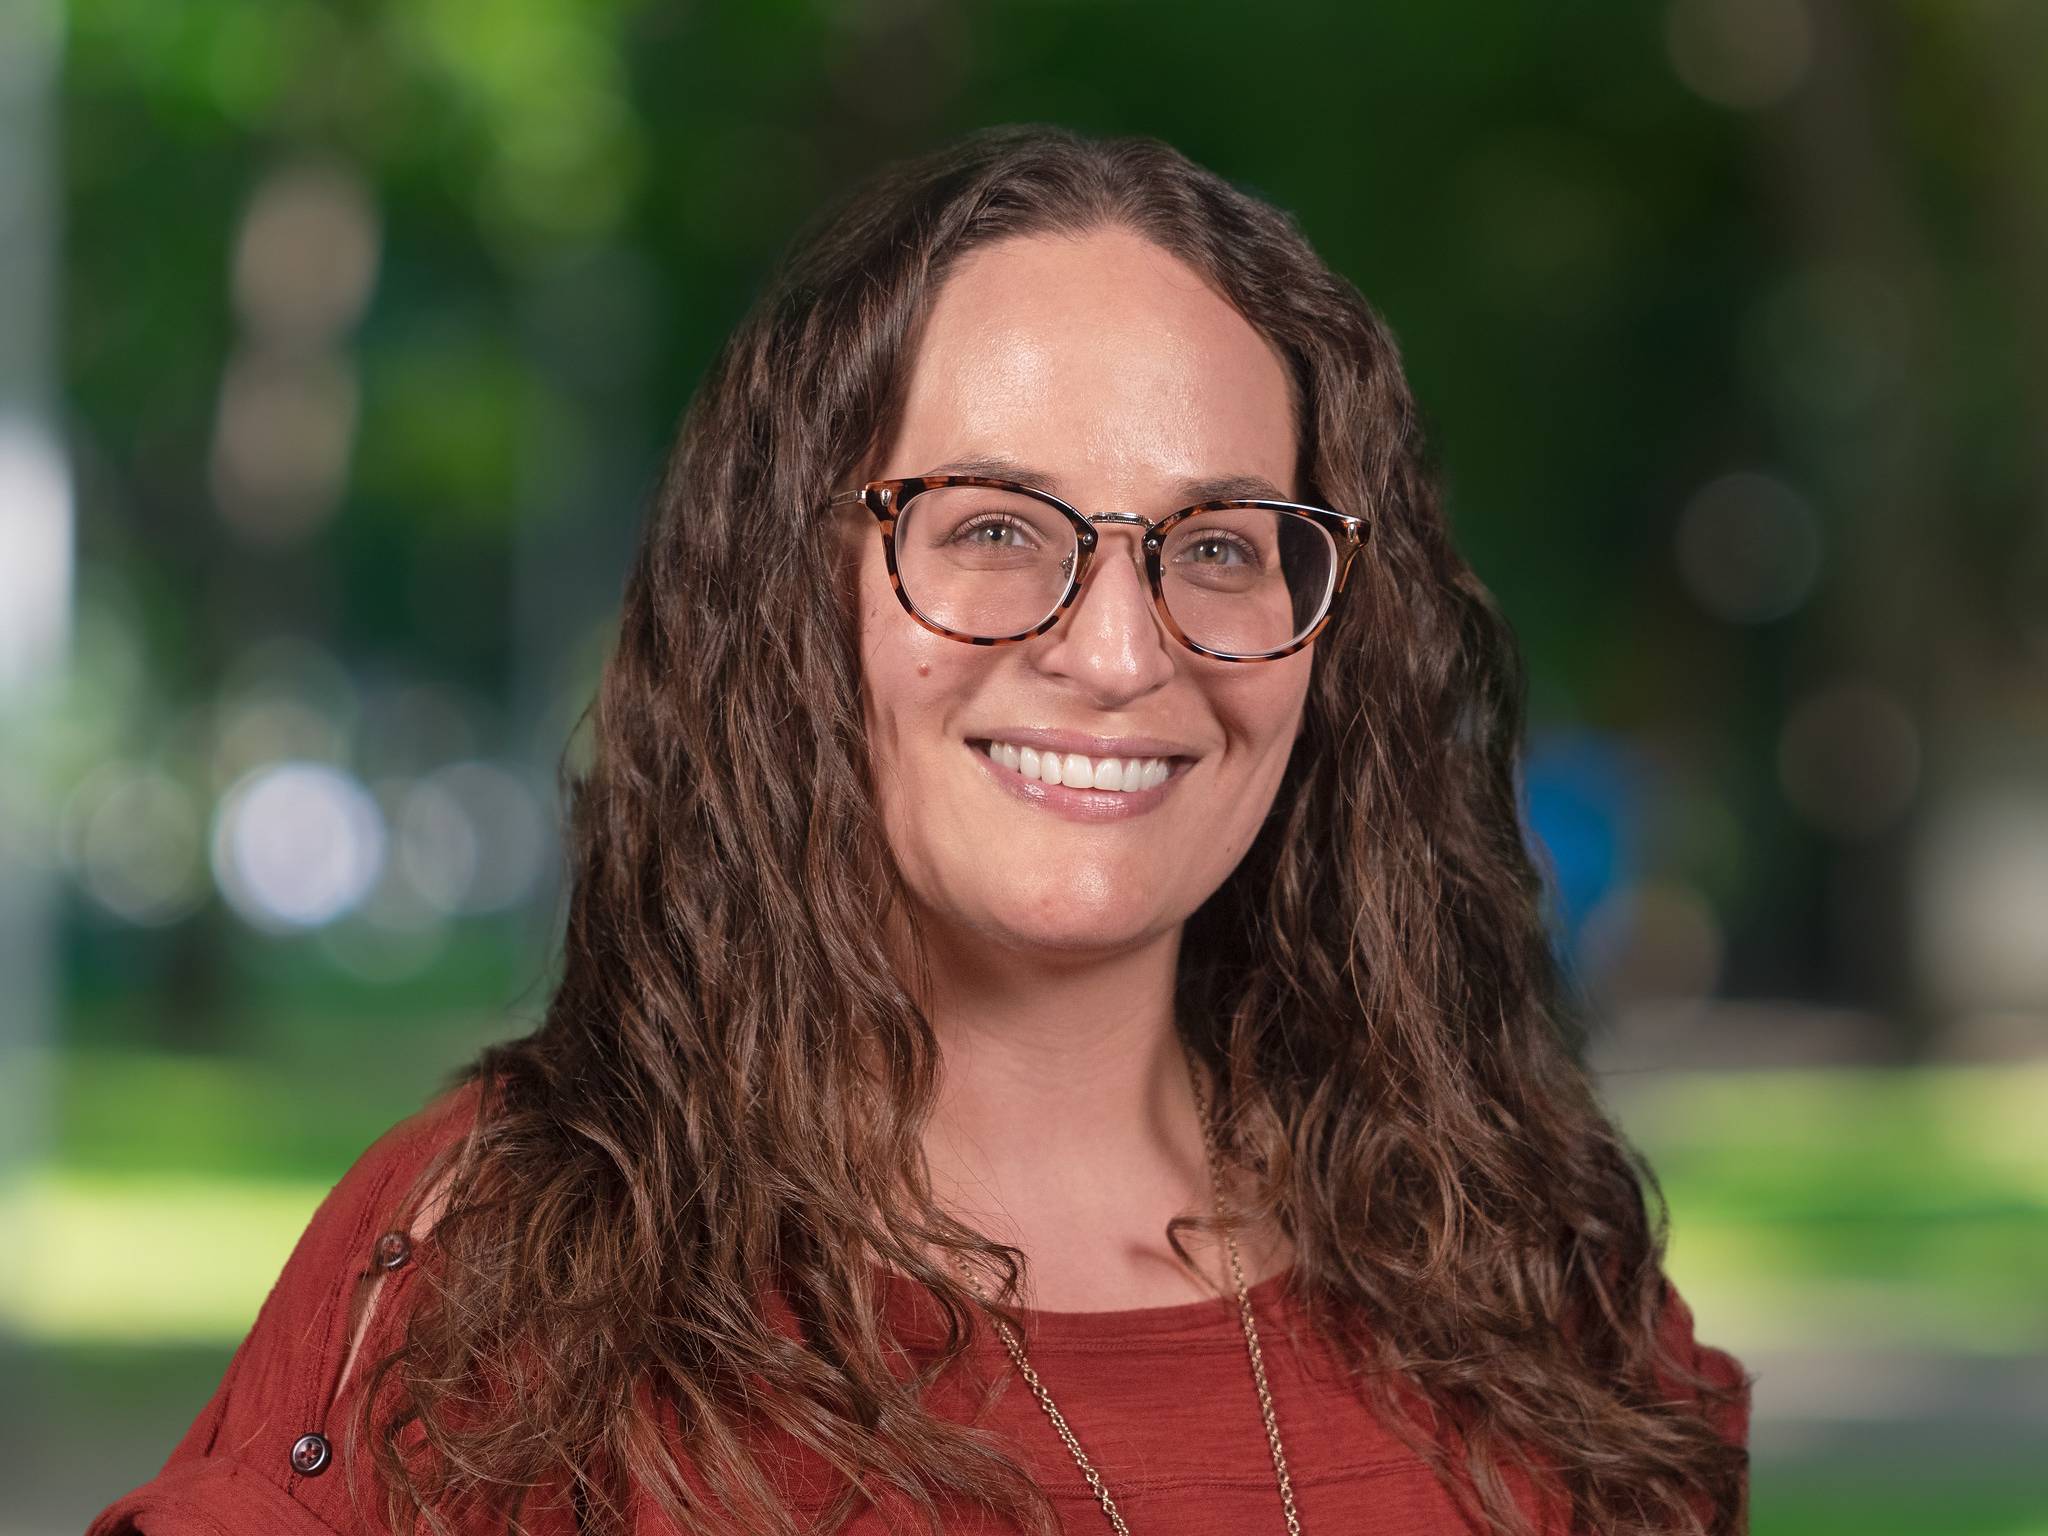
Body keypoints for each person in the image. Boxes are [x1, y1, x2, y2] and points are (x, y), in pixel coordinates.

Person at [89, 123, 1751, 1536]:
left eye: (1225, 546)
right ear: (790, 590)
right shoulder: (496, 1275)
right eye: (992, 526)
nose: (1117, 650)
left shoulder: (1525, 1268)